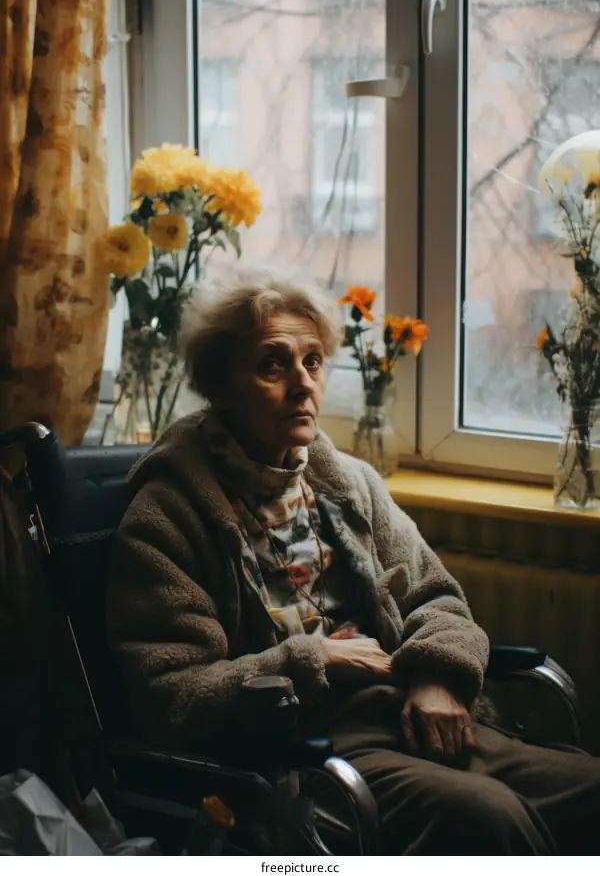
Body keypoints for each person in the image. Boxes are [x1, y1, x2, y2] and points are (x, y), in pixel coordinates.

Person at [107, 267, 600, 855]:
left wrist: (439, 673)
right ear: (220, 386)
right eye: (273, 364)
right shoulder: (169, 513)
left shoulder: (347, 482)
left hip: (412, 713)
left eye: (313, 361)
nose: (303, 384)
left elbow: (437, 598)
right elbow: (172, 695)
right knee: (488, 819)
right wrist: (314, 658)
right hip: (306, 754)